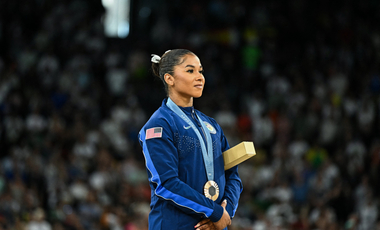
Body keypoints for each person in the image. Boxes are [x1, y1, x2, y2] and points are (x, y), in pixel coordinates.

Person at [138, 49, 243, 230]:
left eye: (200, 71)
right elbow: (166, 184)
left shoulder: (211, 125)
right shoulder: (159, 126)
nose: (200, 77)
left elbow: (232, 174)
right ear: (169, 79)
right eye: (190, 70)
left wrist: (226, 209)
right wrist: (214, 212)